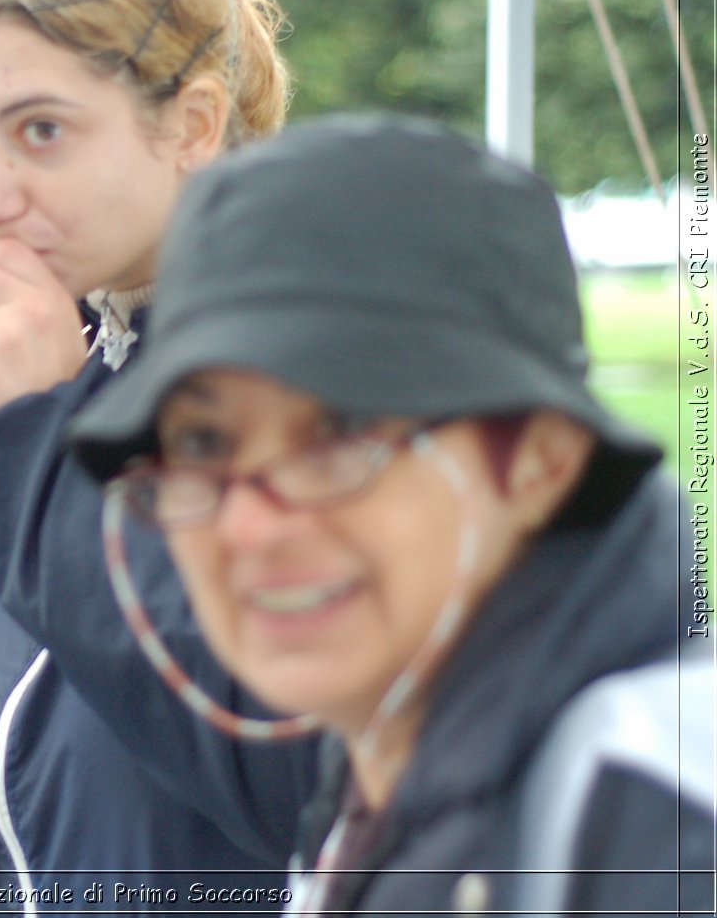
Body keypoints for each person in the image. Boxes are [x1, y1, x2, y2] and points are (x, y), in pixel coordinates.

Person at [69, 114, 715, 914]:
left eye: (340, 432)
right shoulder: (377, 783)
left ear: (542, 461)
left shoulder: (662, 819)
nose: (249, 528)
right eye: (202, 440)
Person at [0, 0, 317, 905]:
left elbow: (282, 768)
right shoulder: (95, 351)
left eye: (38, 130)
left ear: (190, 124)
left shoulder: (311, 380)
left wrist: (43, 433)